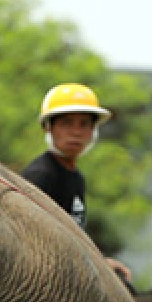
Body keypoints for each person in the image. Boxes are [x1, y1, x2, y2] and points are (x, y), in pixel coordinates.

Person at [22, 83, 111, 234]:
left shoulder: (76, 178)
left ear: (93, 130)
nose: (76, 132)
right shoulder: (40, 176)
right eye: (66, 123)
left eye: (84, 124)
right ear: (48, 127)